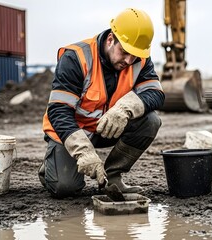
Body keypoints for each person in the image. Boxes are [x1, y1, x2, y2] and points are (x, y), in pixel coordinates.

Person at [39, 8, 165, 198]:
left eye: (134, 56)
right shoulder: (76, 58)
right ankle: (50, 166)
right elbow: (58, 111)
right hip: (73, 131)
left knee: (151, 121)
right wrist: (83, 152)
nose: (129, 60)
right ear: (110, 39)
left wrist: (124, 109)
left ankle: (112, 178)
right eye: (124, 52)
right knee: (65, 188)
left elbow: (156, 93)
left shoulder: (139, 59)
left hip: (104, 128)